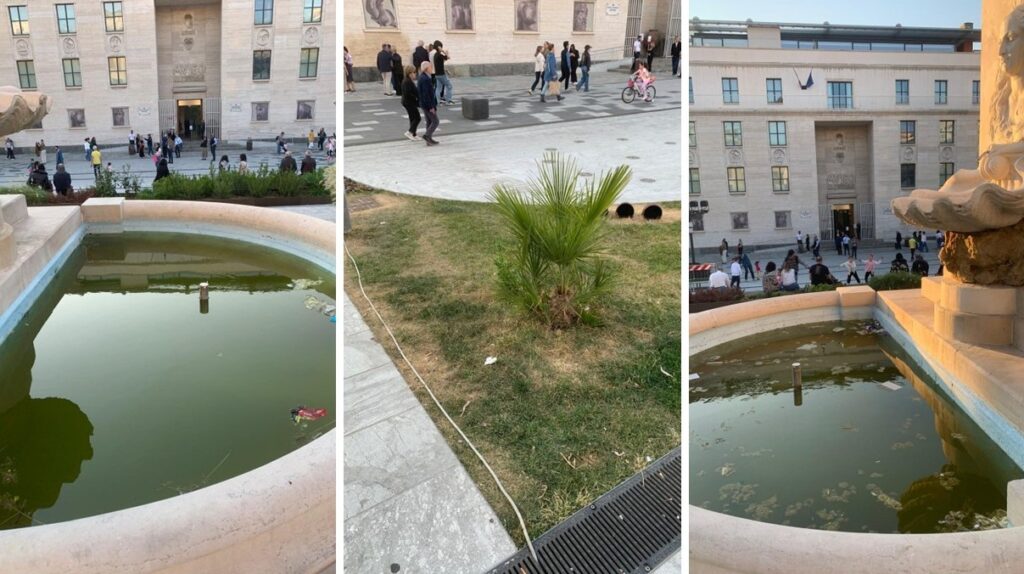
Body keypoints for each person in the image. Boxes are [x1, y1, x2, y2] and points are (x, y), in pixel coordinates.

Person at [418, 60, 440, 146]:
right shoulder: (425, 79)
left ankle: (429, 139)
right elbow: (426, 94)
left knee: (429, 121)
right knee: (435, 121)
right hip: (427, 104)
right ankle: (427, 136)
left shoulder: (424, 77)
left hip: (424, 104)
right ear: (427, 68)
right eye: (431, 67)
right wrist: (431, 107)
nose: (432, 69)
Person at [401, 64, 421, 140]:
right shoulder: (407, 81)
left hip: (409, 102)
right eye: (414, 72)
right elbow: (408, 93)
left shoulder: (408, 81)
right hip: (409, 103)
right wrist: (416, 99)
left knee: (413, 118)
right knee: (417, 118)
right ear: (410, 73)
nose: (415, 74)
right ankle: (409, 132)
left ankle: (413, 134)